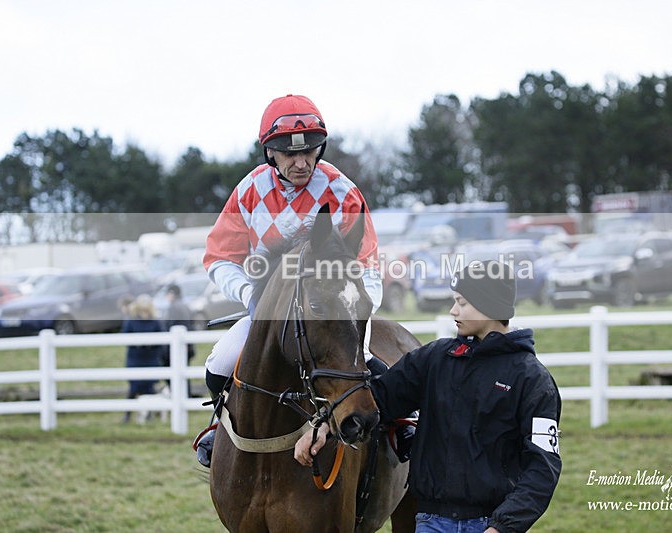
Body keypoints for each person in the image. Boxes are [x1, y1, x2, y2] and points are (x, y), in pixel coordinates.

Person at [295, 260, 562, 533]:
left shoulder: (533, 381)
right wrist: (324, 427)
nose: (453, 310)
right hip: (430, 523)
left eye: (462, 303)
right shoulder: (434, 359)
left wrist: (502, 527)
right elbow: (380, 398)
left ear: (489, 306)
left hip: (490, 525)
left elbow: (543, 468)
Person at [194, 94, 384, 467]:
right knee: (219, 364)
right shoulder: (250, 190)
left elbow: (368, 263)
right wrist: (250, 295)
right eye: (289, 154)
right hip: (270, 311)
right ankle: (221, 426)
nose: (301, 163)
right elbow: (219, 257)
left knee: (371, 365)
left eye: (309, 152)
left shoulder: (342, 191)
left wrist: (354, 309)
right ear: (270, 153)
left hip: (332, 310)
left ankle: (398, 430)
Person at [121, 294, 167, 423]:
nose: (145, 314)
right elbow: (125, 338)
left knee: (149, 388)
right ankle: (127, 415)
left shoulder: (156, 322)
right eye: (142, 311)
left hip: (151, 359)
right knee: (134, 388)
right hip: (135, 359)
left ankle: (149, 414)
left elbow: (162, 339)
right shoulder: (131, 321)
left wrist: (152, 344)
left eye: (146, 311)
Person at [162, 283, 197, 396]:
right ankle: (185, 394)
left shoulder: (174, 307)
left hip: (177, 346)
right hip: (187, 345)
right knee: (183, 372)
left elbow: (169, 326)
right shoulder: (185, 306)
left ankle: (180, 394)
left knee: (174, 371)